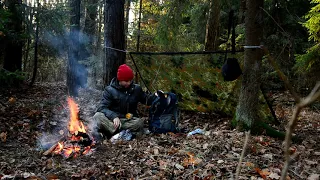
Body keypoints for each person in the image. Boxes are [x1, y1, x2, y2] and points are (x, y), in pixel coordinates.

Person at [93, 64, 151, 138]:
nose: (129, 83)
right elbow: (102, 108)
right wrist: (113, 116)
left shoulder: (136, 89)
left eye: (130, 80)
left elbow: (147, 100)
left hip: (127, 120)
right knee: (97, 116)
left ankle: (113, 133)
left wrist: (156, 96)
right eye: (126, 81)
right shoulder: (109, 90)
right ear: (119, 79)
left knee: (139, 123)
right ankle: (120, 133)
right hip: (112, 121)